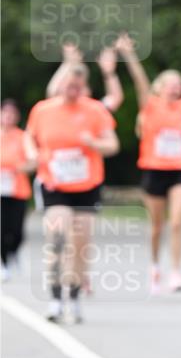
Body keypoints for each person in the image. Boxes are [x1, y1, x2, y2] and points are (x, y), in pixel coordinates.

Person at [115, 33, 181, 294]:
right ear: (160, 88)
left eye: (179, 84)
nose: (176, 88)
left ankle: (176, 272)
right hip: (153, 171)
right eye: (171, 84)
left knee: (176, 223)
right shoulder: (150, 106)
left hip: (178, 171)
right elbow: (140, 82)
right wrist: (128, 55)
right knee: (157, 226)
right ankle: (154, 266)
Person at [24, 64, 119, 322]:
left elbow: (113, 145)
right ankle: (55, 299)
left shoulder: (95, 111)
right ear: (60, 84)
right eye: (68, 86)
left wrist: (94, 144)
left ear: (83, 87)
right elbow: (29, 138)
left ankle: (74, 296)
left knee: (80, 244)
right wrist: (33, 154)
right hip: (54, 185)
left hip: (86, 186)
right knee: (56, 237)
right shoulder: (43, 110)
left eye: (77, 87)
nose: (72, 91)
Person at [1, 100, 34, 281]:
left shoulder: (23, 137)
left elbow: (33, 161)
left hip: (18, 189)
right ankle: (4, 263)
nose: (8, 117)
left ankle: (13, 252)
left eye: (12, 114)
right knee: (1, 228)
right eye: (5, 113)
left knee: (17, 230)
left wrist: (21, 168)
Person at [47, 41, 124, 113]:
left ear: (88, 90)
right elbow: (53, 92)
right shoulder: (58, 109)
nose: (75, 92)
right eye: (71, 87)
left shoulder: (94, 110)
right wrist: (68, 63)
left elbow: (115, 99)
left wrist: (109, 73)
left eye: (79, 88)